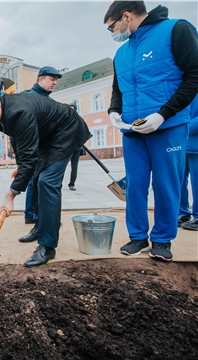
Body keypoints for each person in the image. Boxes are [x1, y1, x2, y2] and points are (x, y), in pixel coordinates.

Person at [104, 1, 198, 261]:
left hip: (167, 126)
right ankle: (137, 236)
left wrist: (163, 114)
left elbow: (194, 75)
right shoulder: (122, 53)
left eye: (112, 26)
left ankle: (162, 239)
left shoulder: (176, 30)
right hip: (133, 130)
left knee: (166, 183)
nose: (113, 32)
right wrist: (114, 110)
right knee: (135, 184)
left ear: (125, 16)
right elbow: (118, 89)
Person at [0, 89, 91, 267]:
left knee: (47, 182)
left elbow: (30, 157)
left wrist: (10, 195)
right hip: (47, 136)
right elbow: (17, 140)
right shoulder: (4, 113)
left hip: (66, 132)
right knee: (35, 177)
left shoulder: (20, 113)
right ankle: (40, 226)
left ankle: (47, 246)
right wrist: (21, 166)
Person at [19, 66, 62, 243]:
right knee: (36, 186)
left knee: (47, 186)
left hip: (51, 151)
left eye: (56, 80)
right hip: (35, 150)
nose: (54, 83)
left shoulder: (48, 101)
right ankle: (39, 223)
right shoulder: (28, 96)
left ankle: (46, 223)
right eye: (51, 79)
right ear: (40, 79)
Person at [179, 99, 198, 231]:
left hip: (195, 144)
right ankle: (182, 213)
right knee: (178, 182)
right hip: (180, 145)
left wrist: (182, 127)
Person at [67, 102, 84, 191]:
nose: (72, 110)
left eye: (73, 108)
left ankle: (72, 183)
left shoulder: (79, 120)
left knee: (74, 167)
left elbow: (83, 132)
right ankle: (58, 184)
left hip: (76, 147)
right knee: (61, 166)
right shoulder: (64, 120)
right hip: (67, 147)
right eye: (70, 108)